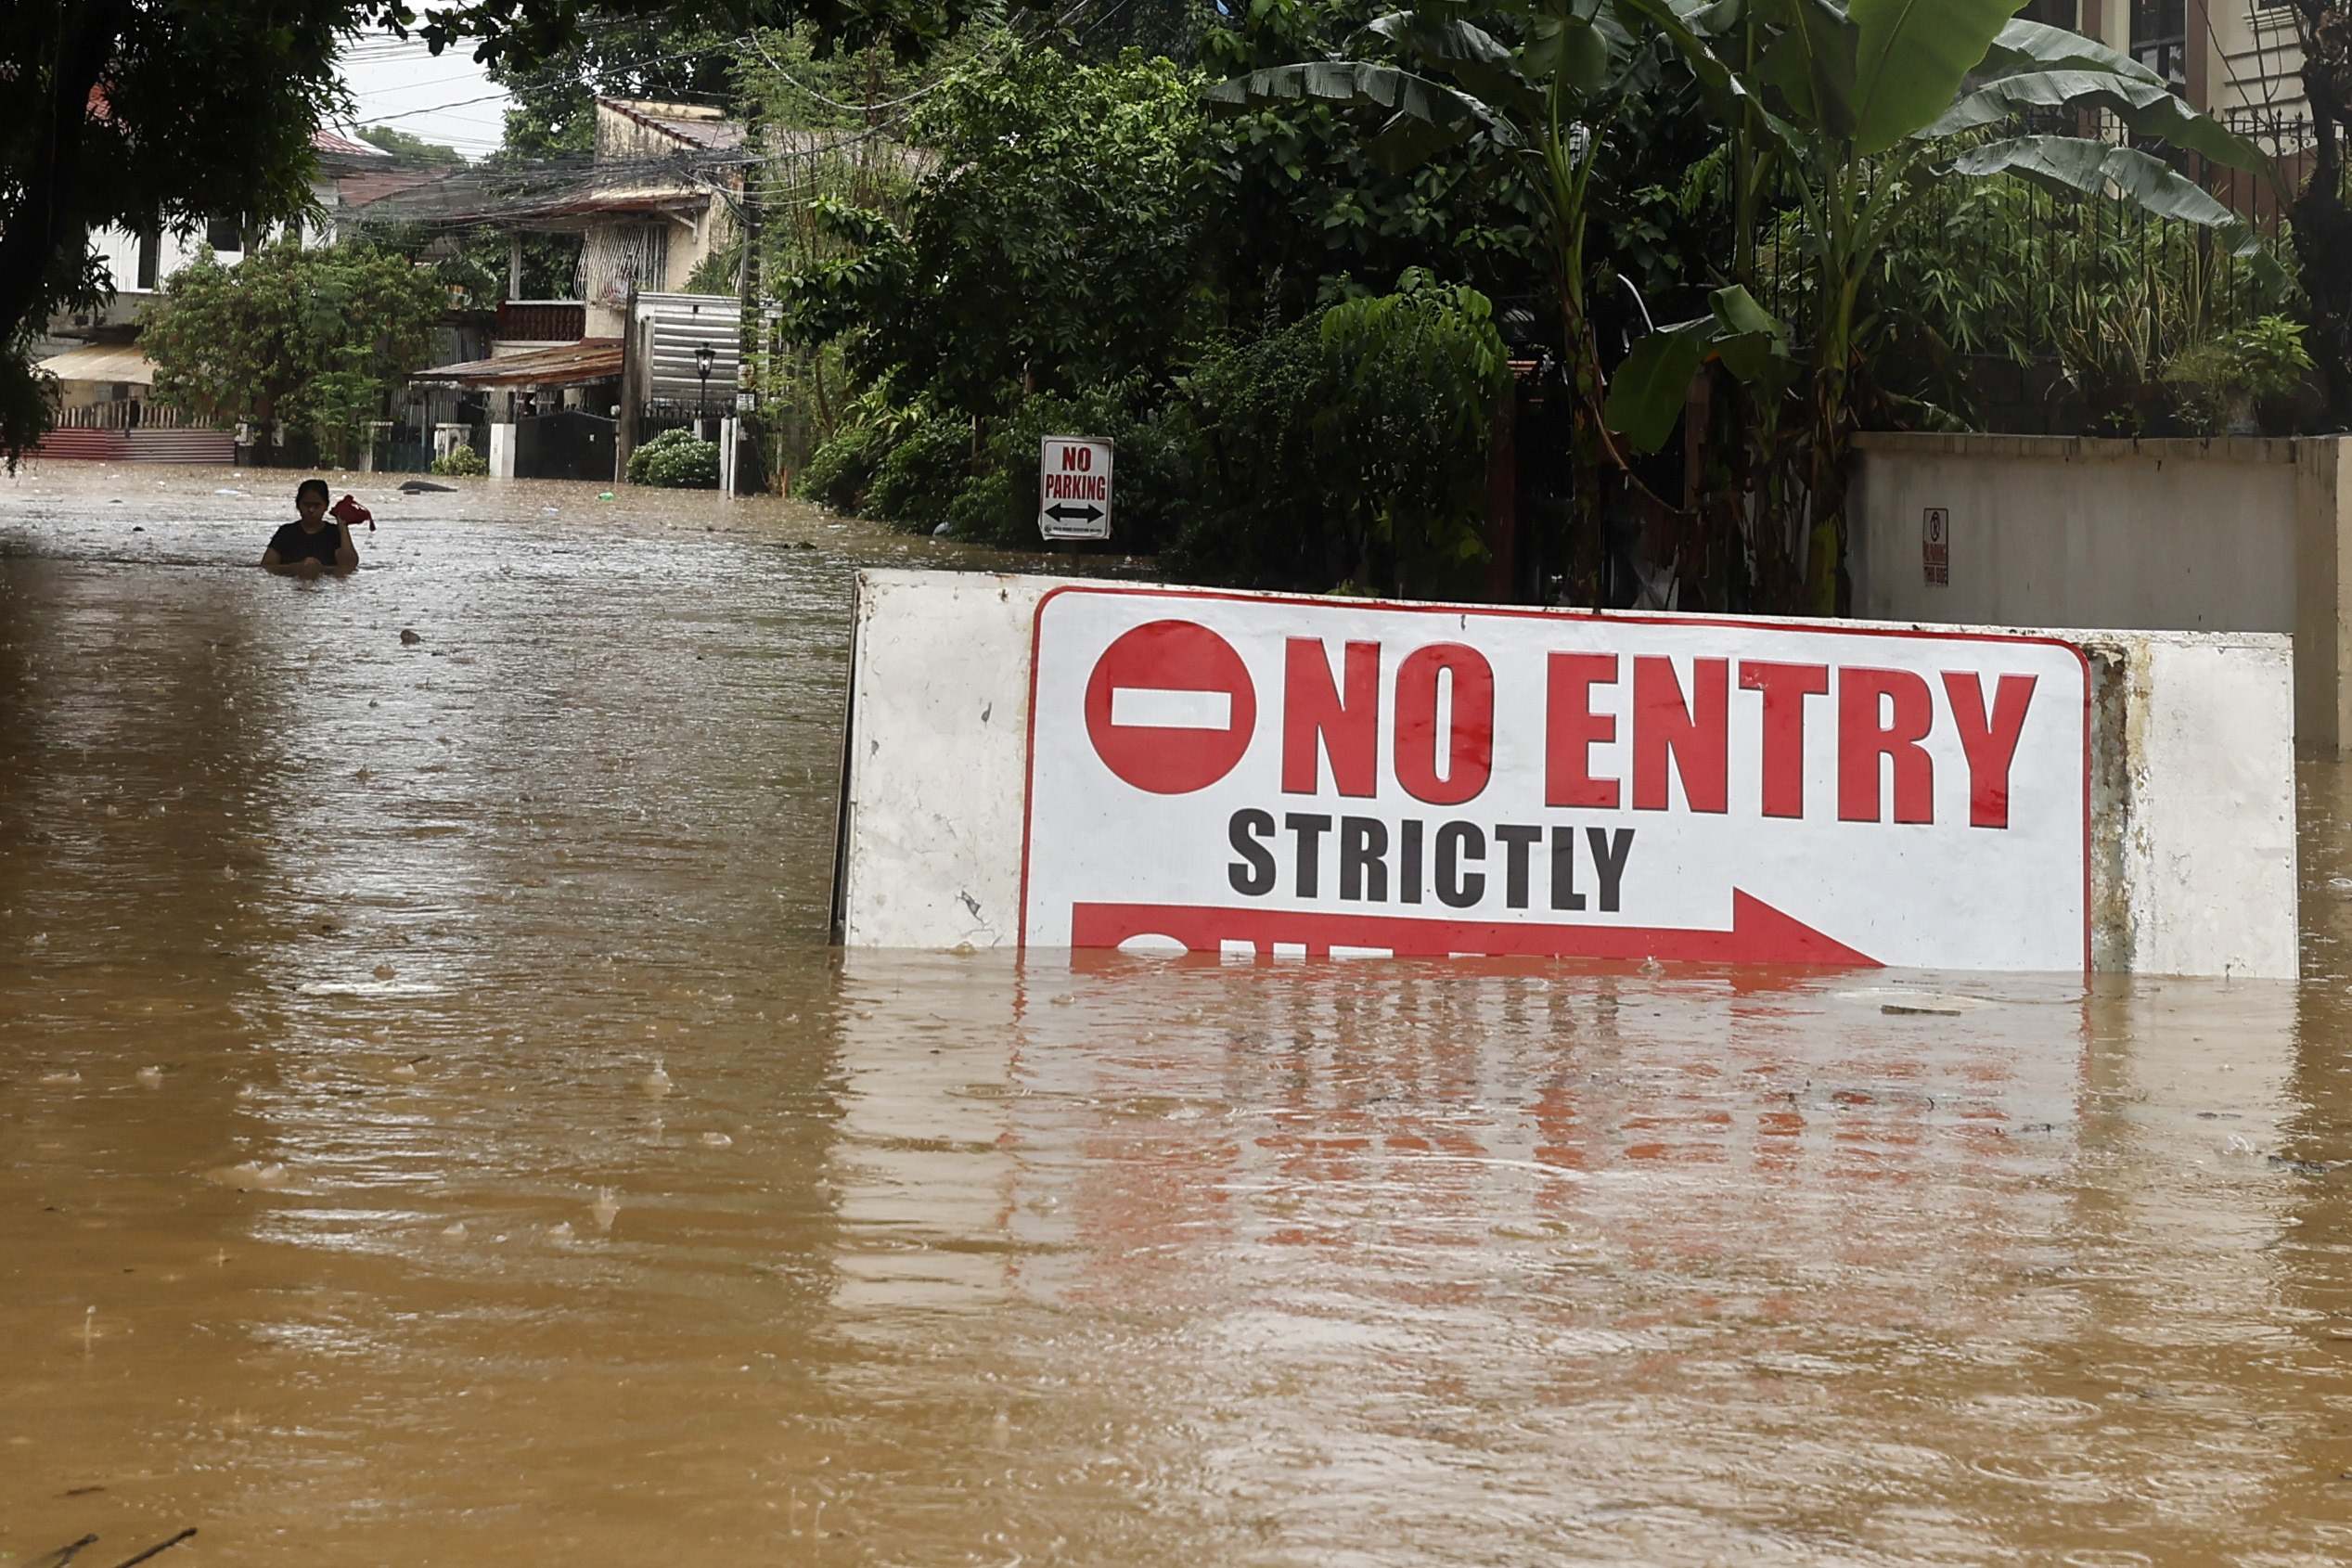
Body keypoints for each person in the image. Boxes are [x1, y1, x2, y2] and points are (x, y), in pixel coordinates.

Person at [261, 479, 360, 576]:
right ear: (298, 505)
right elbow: (266, 566)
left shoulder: (335, 533)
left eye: (317, 505)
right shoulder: (286, 532)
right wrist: (296, 568)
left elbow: (349, 566)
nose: (311, 510)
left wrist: (343, 527)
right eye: (306, 505)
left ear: (326, 506)